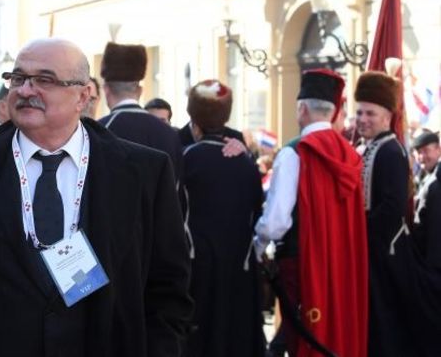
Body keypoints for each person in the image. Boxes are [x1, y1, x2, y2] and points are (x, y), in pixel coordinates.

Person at [0, 38, 192, 357]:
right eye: (18, 78)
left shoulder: (144, 172)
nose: (25, 90)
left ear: (83, 96)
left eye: (44, 80)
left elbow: (168, 293)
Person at [254, 69, 367, 357]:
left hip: (301, 263)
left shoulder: (295, 153)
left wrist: (258, 244)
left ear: (302, 108)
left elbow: (277, 220)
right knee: (335, 332)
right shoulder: (352, 155)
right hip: (343, 263)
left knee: (302, 337)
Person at [355, 71, 441, 355]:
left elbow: (390, 209)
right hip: (377, 251)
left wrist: (356, 232)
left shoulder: (390, 151)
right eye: (359, 113)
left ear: (387, 116)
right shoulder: (374, 147)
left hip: (385, 254)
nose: (362, 119)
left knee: (386, 327)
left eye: (370, 113)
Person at [181, 80, 265, 357]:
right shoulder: (245, 161)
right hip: (239, 268)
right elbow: (257, 209)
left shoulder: (186, 159)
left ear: (194, 121)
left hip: (198, 269)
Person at [97, 42, 182, 181]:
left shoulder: (98, 130)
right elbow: (176, 190)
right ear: (140, 90)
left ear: (106, 90)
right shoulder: (169, 133)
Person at [413, 131, 441, 270]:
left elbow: (435, 234)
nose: (422, 157)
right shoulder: (426, 176)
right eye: (418, 152)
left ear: (438, 150)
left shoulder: (436, 183)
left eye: (426, 151)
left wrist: (431, 272)